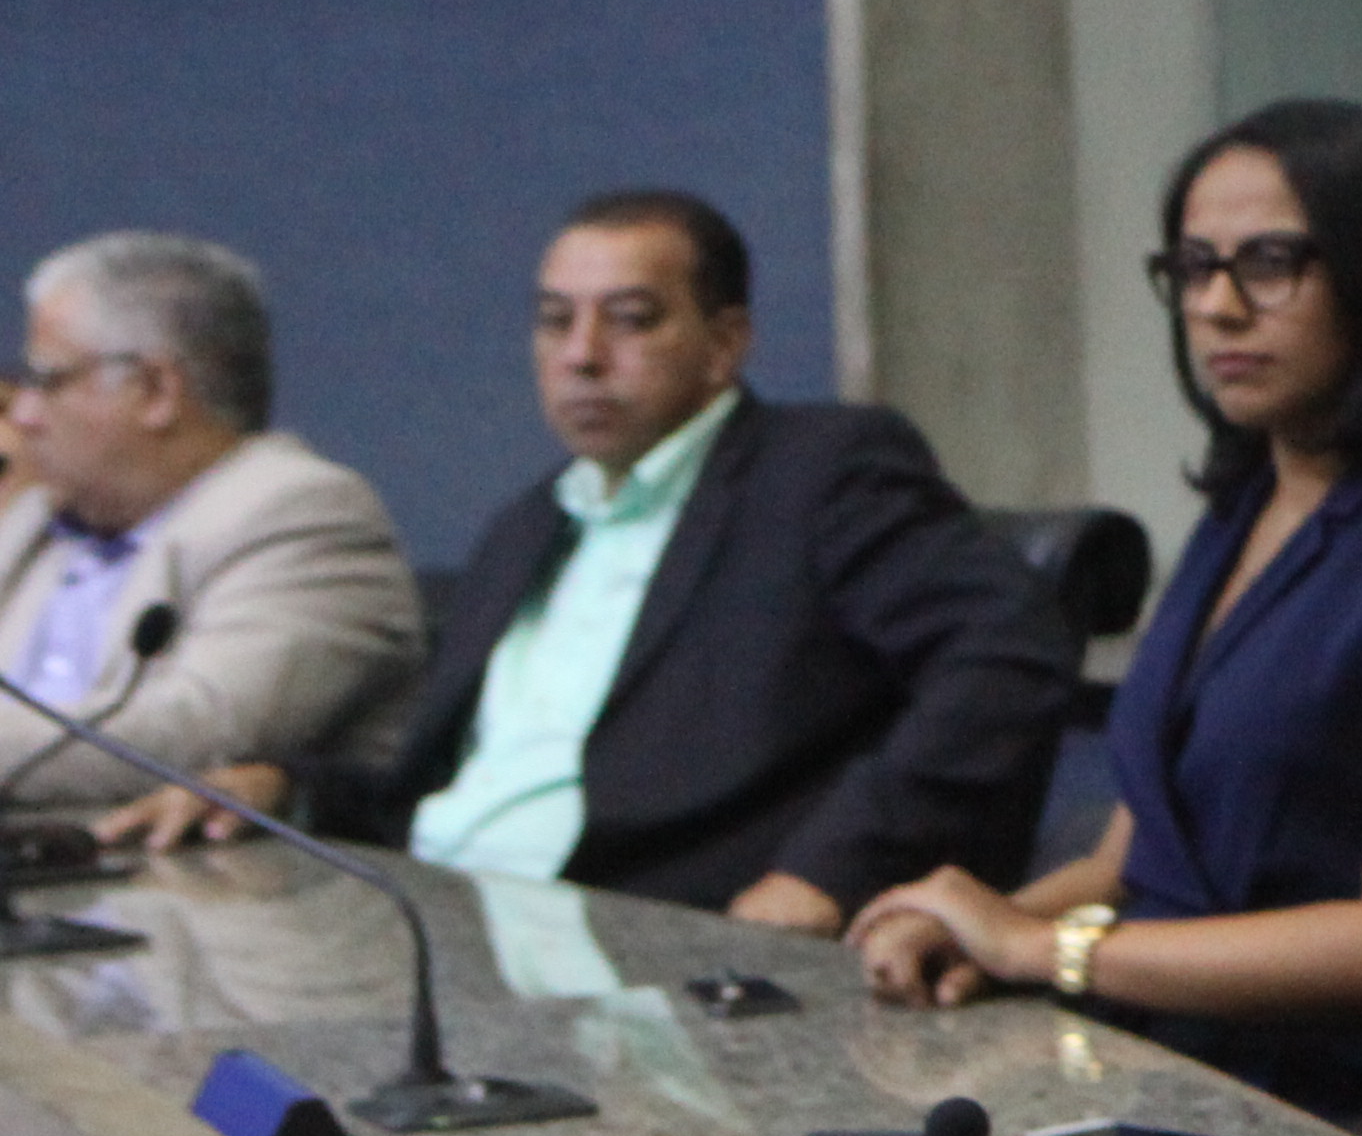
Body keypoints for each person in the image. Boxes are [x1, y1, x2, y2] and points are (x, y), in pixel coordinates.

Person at [850, 102, 1362, 1121]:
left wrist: (1046, 948)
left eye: (1269, 263)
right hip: (1158, 1061)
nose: (1218, 308)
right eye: (1194, 268)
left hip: (1328, 1110)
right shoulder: (1243, 511)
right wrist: (973, 928)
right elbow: (1128, 863)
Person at [147, 192, 1067, 926]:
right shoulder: (528, 528)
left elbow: (1005, 654)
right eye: (555, 322)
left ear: (725, 343)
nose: (582, 357)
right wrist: (287, 786)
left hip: (657, 939)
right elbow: (445, 792)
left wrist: (832, 870)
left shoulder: (820, 474)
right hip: (446, 924)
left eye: (630, 320)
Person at [0, 232, 420, 820]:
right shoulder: (35, 522)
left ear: (155, 391)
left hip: (184, 873)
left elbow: (196, 736)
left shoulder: (302, 514)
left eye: (48, 381)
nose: (23, 414)